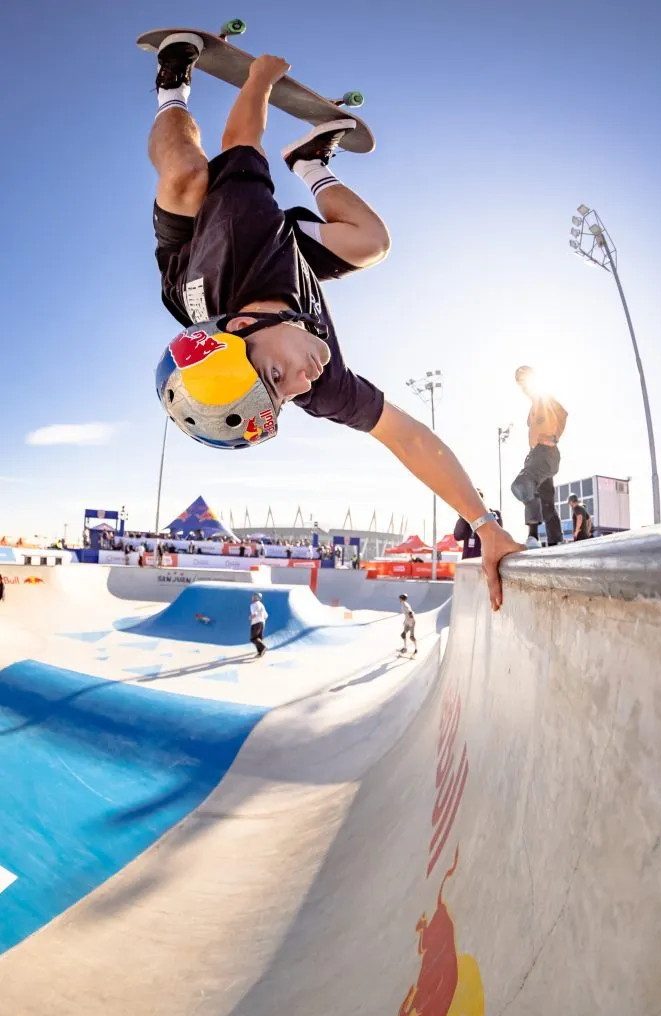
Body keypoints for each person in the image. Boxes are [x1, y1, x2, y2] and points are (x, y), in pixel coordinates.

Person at [147, 36, 522, 610]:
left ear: (244, 325)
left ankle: (170, 88)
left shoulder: (236, 234)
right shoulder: (322, 387)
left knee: (188, 177)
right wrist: (483, 520)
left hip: (194, 255)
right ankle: (310, 164)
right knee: (373, 242)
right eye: (284, 398)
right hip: (288, 257)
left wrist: (260, 80)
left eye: (276, 375)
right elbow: (407, 436)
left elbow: (239, 140)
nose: (302, 383)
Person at [510, 366, 567, 548]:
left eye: (526, 383)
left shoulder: (545, 398)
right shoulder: (533, 406)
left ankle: (533, 536)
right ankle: (555, 540)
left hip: (545, 453)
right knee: (546, 500)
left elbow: (562, 414)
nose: (525, 388)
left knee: (524, 484)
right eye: (521, 386)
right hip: (538, 456)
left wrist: (555, 437)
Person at [454, 490, 502, 559]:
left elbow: (497, 532)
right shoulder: (466, 519)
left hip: (486, 560)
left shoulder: (494, 514)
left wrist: (472, 519)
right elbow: (457, 536)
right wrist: (463, 516)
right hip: (469, 562)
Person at [249, 591, 268, 657]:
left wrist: (251, 617)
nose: (252, 597)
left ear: (256, 597)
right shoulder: (261, 605)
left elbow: (255, 614)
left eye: (254, 596)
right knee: (259, 638)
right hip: (262, 623)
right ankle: (260, 652)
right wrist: (261, 620)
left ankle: (263, 647)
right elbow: (266, 616)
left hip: (256, 623)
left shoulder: (253, 604)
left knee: (253, 638)